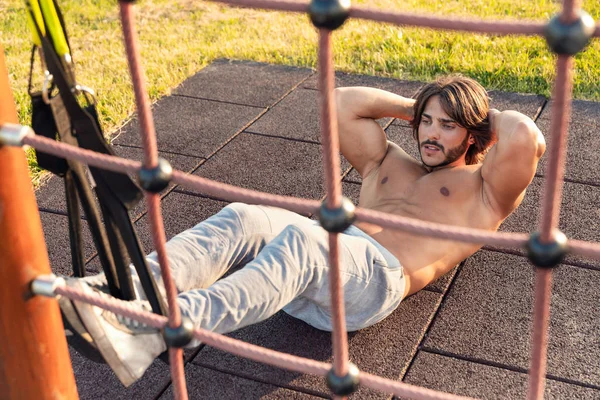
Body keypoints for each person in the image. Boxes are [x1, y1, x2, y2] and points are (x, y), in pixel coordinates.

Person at [60, 75, 545, 386]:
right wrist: (416, 106)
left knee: (305, 238)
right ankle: (119, 291)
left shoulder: (483, 194)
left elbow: (526, 136)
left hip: (371, 283)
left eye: (448, 126)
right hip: (308, 270)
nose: (430, 134)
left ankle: (159, 329)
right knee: (245, 215)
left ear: (476, 135)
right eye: (427, 122)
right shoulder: (385, 162)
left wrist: (476, 113)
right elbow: (340, 103)